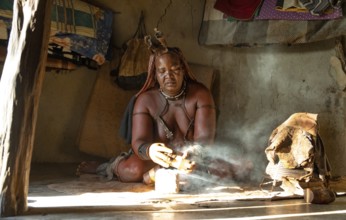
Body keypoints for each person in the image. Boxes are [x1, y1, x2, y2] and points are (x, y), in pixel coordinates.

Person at [77, 30, 217, 183]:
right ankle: (109, 167)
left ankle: (154, 176)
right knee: (132, 171)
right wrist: (151, 150)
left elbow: (204, 142)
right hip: (155, 160)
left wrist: (190, 156)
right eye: (162, 71)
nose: (169, 76)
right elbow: (139, 142)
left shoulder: (201, 94)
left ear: (183, 69)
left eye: (175, 69)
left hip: (191, 160)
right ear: (155, 74)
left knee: (226, 170)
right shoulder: (146, 100)